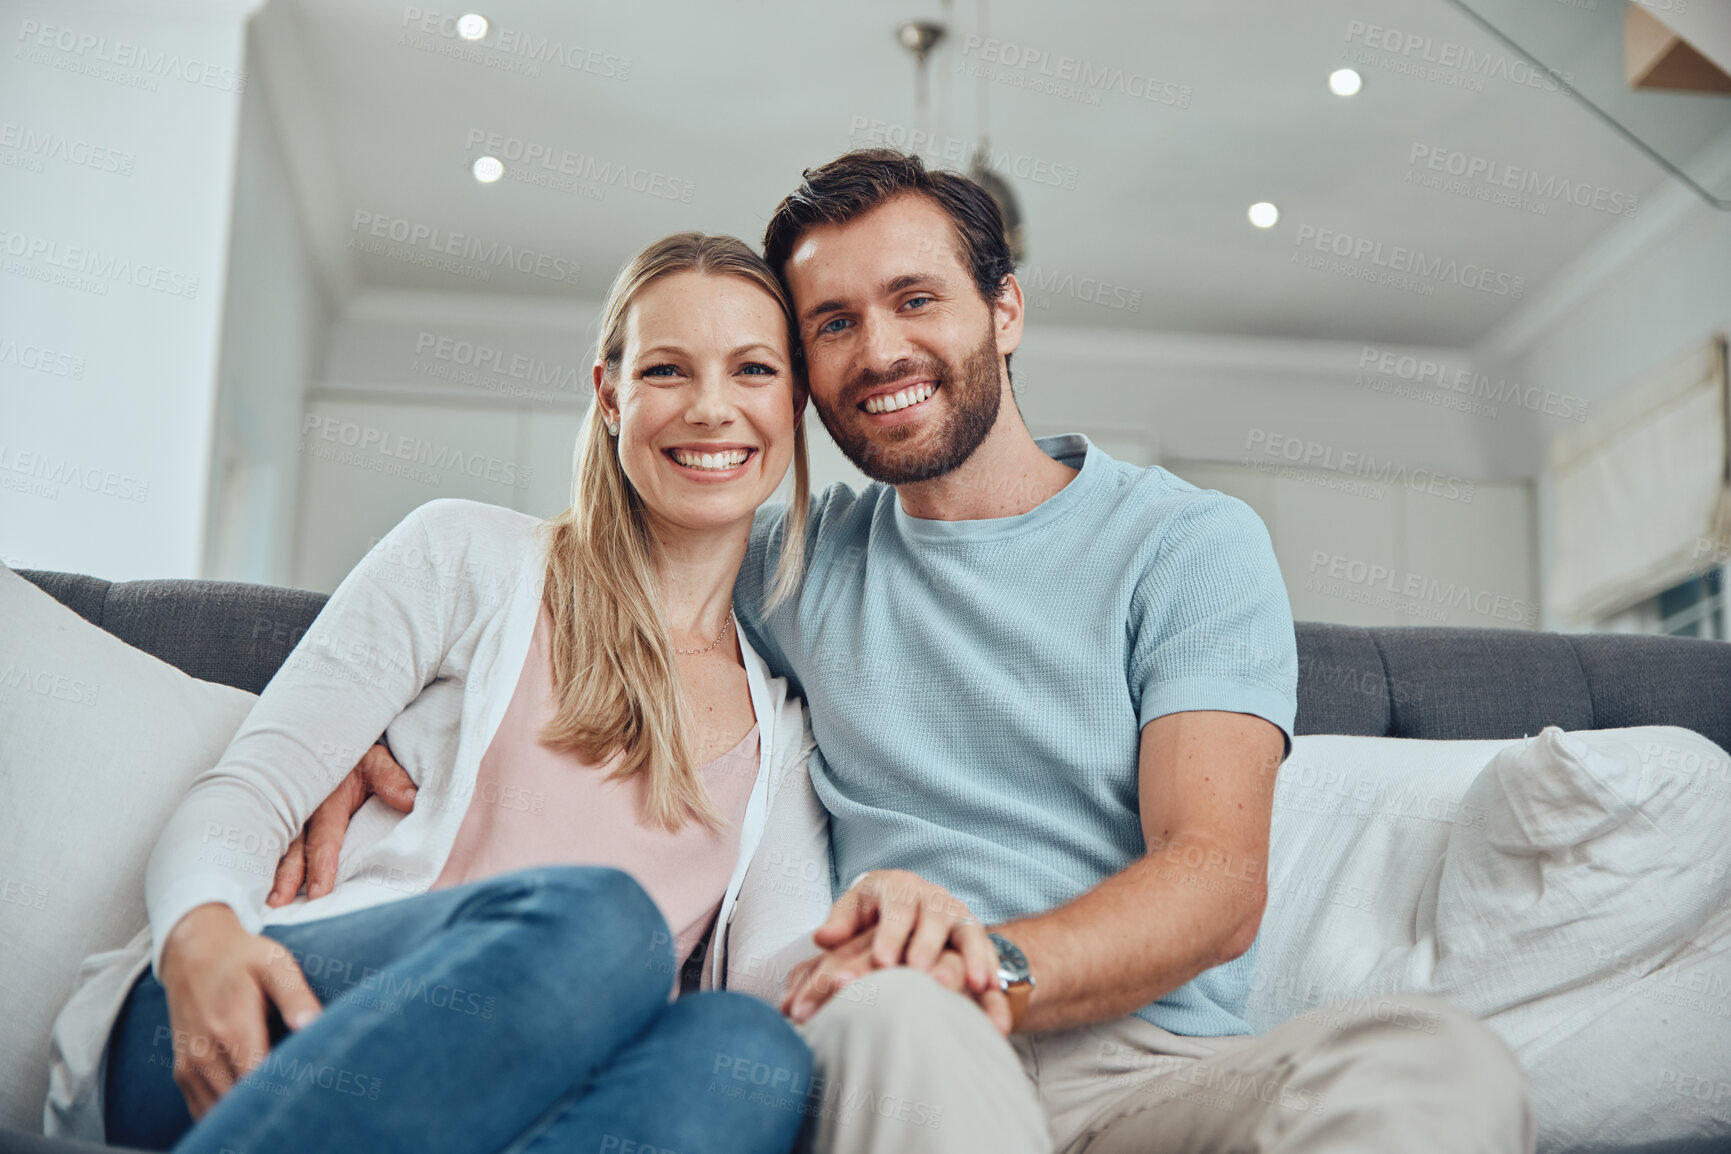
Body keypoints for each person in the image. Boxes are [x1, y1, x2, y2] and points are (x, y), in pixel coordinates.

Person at [285, 150, 1537, 1154]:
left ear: (1005, 310)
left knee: (1437, 1059)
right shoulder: (788, 564)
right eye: (831, 322)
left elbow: (1213, 875)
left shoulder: (1187, 544)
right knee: (902, 1011)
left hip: (1151, 1070)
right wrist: (400, 718)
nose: (878, 350)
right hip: (900, 1045)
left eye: (915, 299)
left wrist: (990, 957)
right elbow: (598, 605)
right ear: (806, 380)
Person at [46, 234, 832, 1154]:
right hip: (260, 1015)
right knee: (605, 926)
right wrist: (200, 933)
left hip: (524, 1112)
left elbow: (789, 974)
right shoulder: (466, 556)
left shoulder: (780, 733)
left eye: (751, 370)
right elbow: (252, 789)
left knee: (751, 1048)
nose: (709, 408)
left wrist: (911, 940)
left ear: (793, 402)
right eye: (665, 369)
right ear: (609, 395)